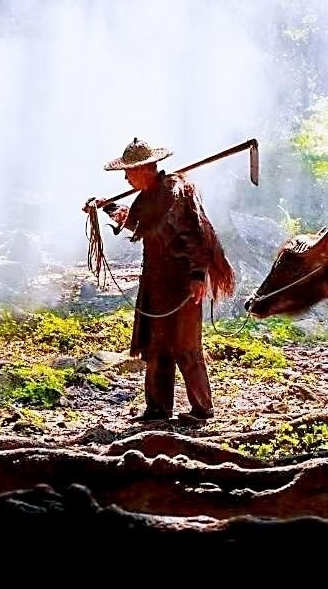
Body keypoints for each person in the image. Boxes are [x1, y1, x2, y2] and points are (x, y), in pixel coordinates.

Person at [85, 137, 235, 424]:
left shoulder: (178, 193)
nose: (126, 177)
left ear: (146, 168)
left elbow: (196, 237)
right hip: (154, 281)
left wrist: (197, 276)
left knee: (186, 347)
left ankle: (202, 410)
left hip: (181, 283)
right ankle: (157, 410)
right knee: (156, 347)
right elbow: (138, 224)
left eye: (129, 172)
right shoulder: (145, 198)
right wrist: (104, 208)